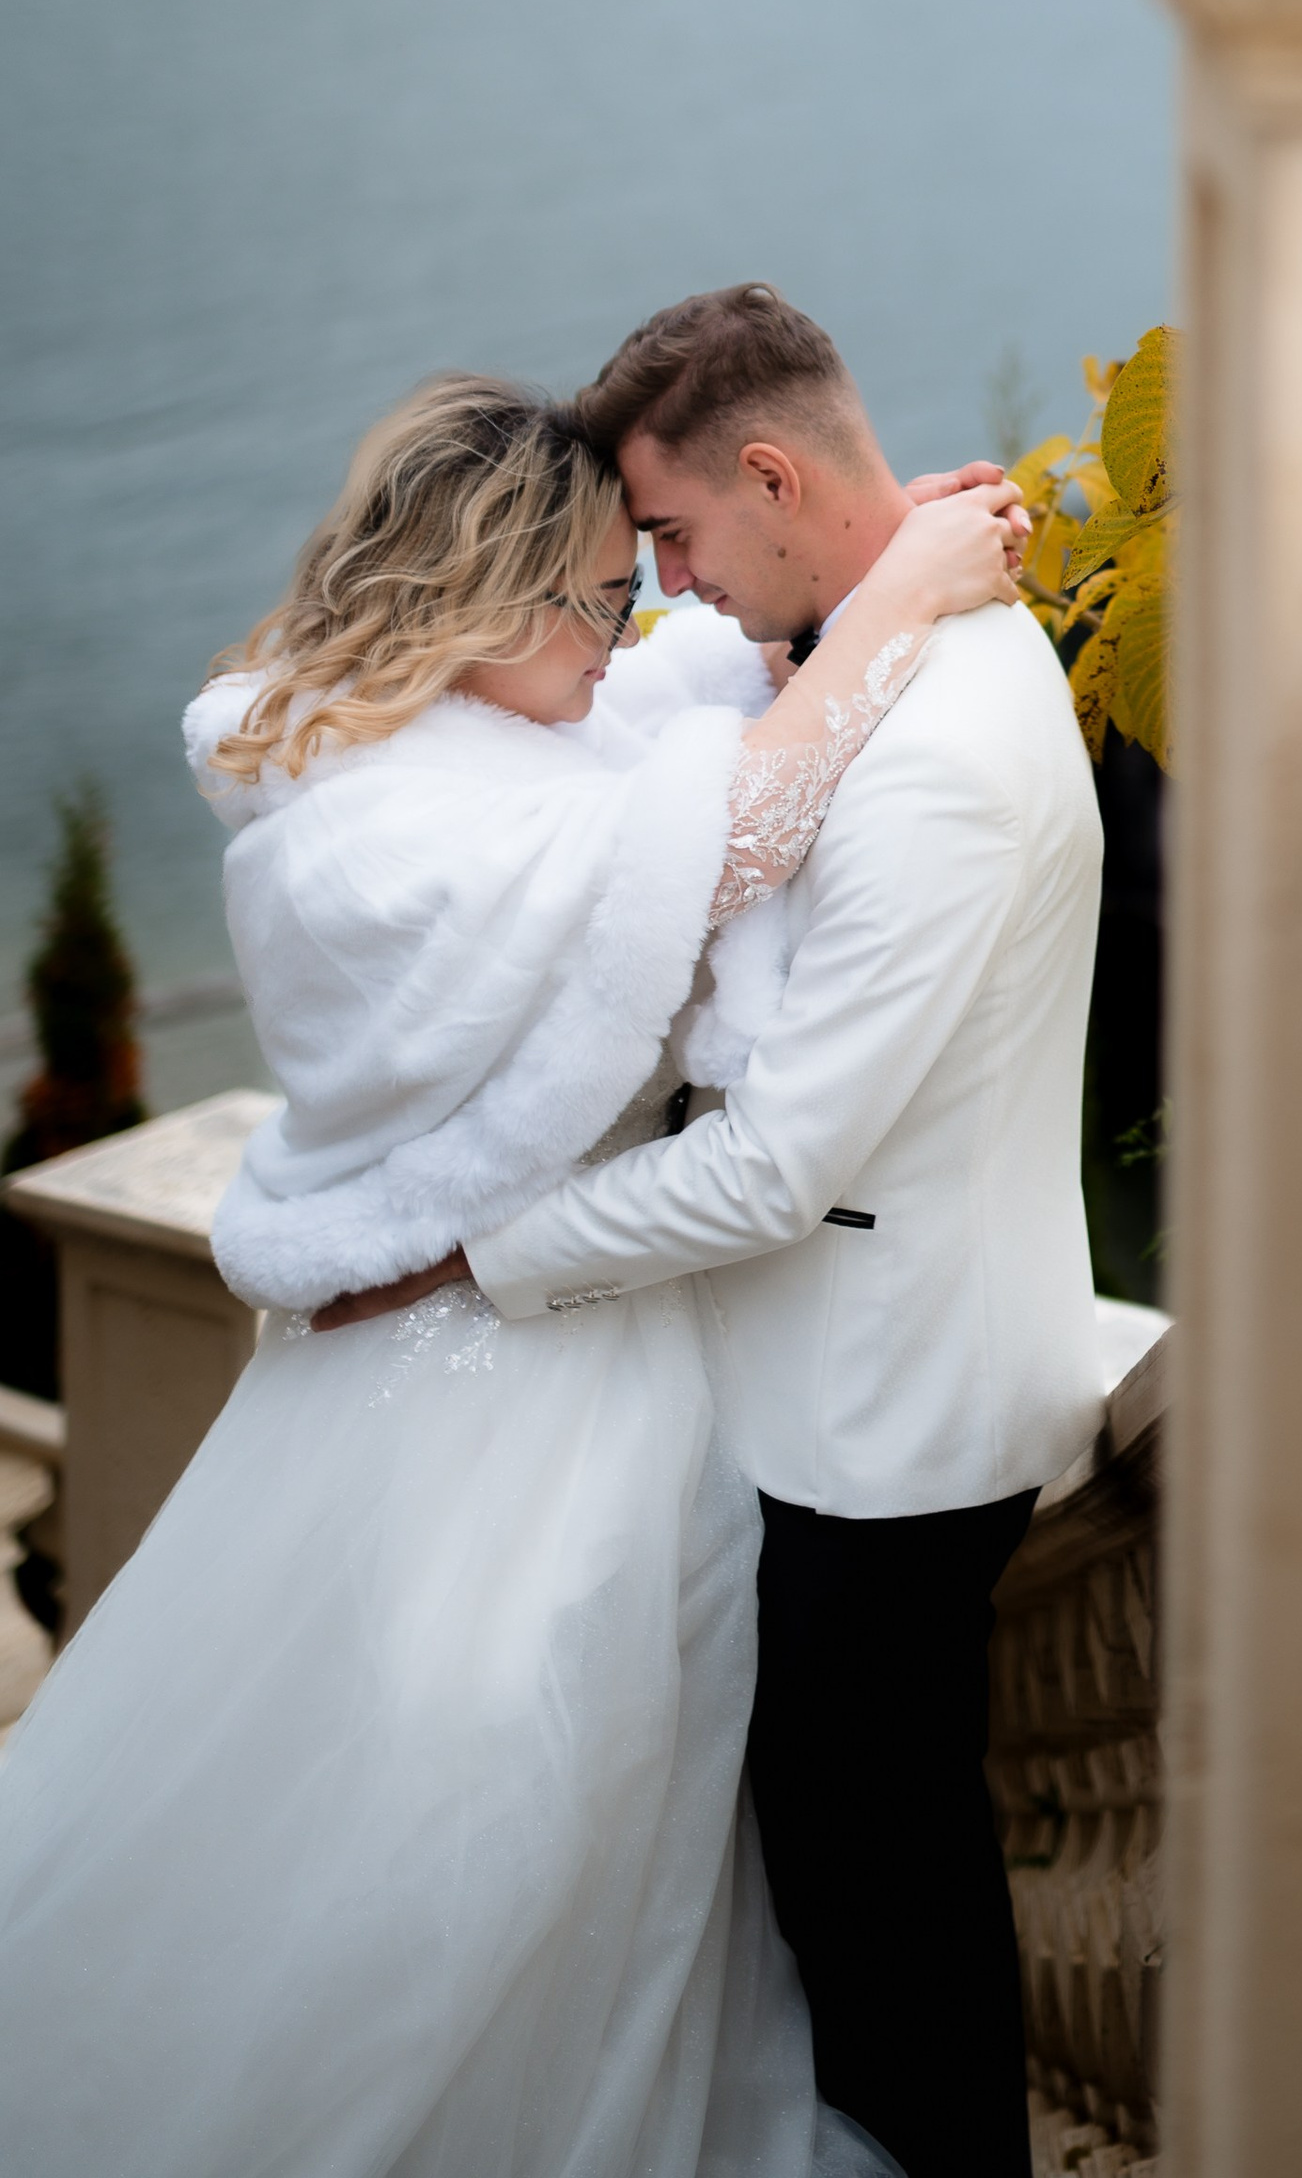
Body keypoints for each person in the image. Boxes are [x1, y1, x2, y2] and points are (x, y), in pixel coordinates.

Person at [0, 367, 1025, 2178]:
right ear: (487, 603)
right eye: (597, 598)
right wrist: (901, 595)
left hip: (567, 1352)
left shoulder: (487, 723)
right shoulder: (370, 836)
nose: (627, 633)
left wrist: (850, 554)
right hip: (492, 1380)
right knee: (471, 1817)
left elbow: (681, 701)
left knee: (605, 1841)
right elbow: (729, 835)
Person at [336, 287, 1109, 2178]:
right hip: (858, 1377)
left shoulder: (929, 753)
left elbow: (772, 1169)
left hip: (884, 1420)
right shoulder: (888, 652)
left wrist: (473, 1253)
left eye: (671, 535)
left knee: (885, 1915)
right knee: (858, 1888)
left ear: (771, 475)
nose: (664, 590)